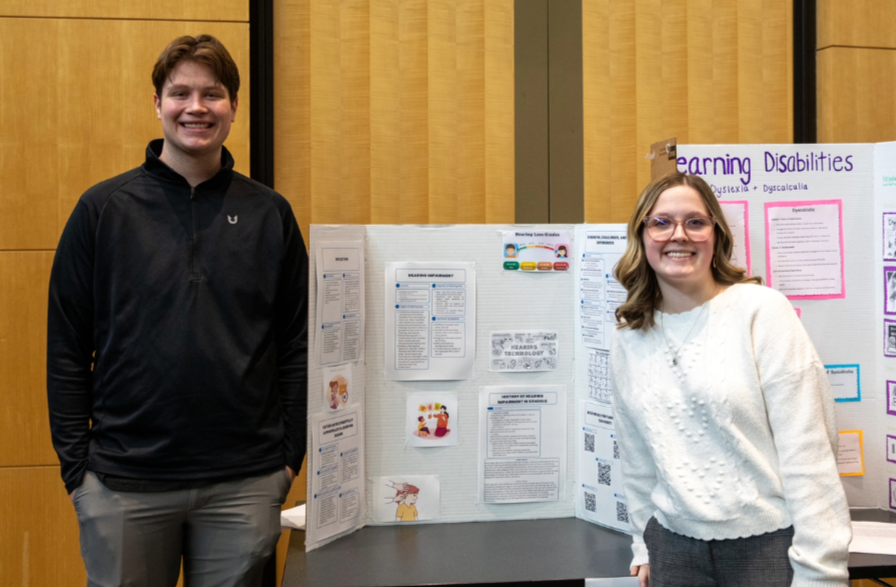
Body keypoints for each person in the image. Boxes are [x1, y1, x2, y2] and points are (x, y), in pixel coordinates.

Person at [46, 34, 308, 587]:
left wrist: (288, 460)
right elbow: (67, 345)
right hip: (123, 483)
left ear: (233, 106)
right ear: (157, 103)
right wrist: (77, 471)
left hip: (246, 482)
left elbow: (297, 343)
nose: (196, 107)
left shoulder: (270, 214)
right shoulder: (103, 210)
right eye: (180, 93)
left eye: (212, 94)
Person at [610, 173, 850, 587]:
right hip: (672, 550)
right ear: (642, 235)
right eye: (661, 222)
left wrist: (821, 572)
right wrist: (642, 543)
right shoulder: (630, 335)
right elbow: (637, 458)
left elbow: (809, 450)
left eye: (695, 222)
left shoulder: (761, 311)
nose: (679, 234)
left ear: (716, 235)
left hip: (766, 549)